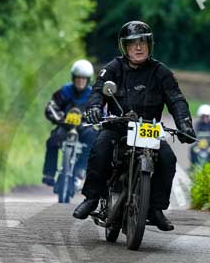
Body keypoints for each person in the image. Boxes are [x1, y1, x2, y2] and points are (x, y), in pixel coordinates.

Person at [72, 20, 195, 231]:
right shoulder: (113, 68)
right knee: (100, 149)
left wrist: (185, 124)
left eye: (142, 42)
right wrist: (93, 108)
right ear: (125, 47)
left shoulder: (161, 72)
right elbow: (97, 91)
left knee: (168, 158)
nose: (138, 47)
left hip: (148, 129)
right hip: (117, 125)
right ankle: (92, 198)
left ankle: (155, 208)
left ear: (149, 45)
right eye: (132, 43)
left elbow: (176, 99)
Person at [42, 59, 97, 188]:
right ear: (73, 78)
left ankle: (80, 170)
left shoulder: (93, 95)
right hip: (65, 126)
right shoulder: (65, 91)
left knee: (94, 139)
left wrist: (94, 118)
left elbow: (99, 110)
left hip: (84, 127)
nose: (80, 81)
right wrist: (58, 117)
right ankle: (49, 174)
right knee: (52, 141)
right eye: (78, 78)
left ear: (88, 80)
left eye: (83, 79)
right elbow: (52, 107)